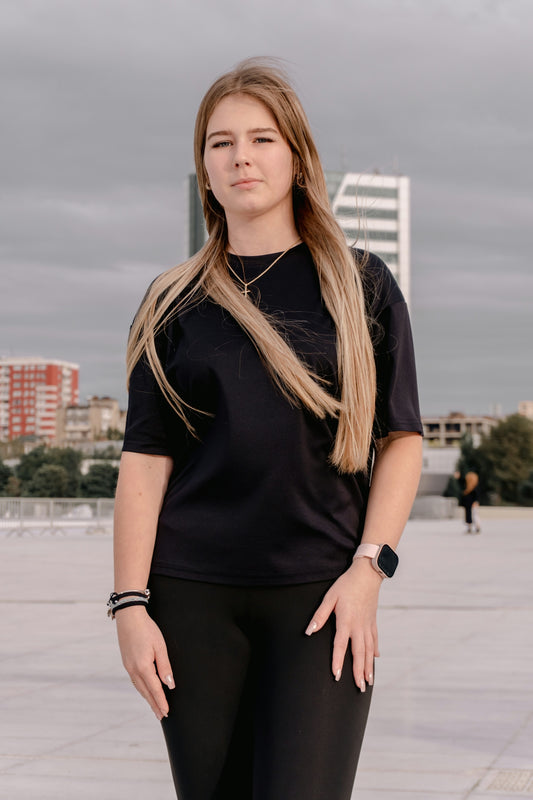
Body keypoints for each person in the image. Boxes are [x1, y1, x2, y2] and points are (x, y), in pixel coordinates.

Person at [110, 59, 423, 800]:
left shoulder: (361, 284)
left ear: (297, 158)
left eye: (261, 139)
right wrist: (129, 606)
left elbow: (401, 440)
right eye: (220, 143)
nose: (241, 157)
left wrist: (369, 571)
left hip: (323, 596)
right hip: (191, 599)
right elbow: (145, 462)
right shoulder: (171, 300)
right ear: (204, 169)